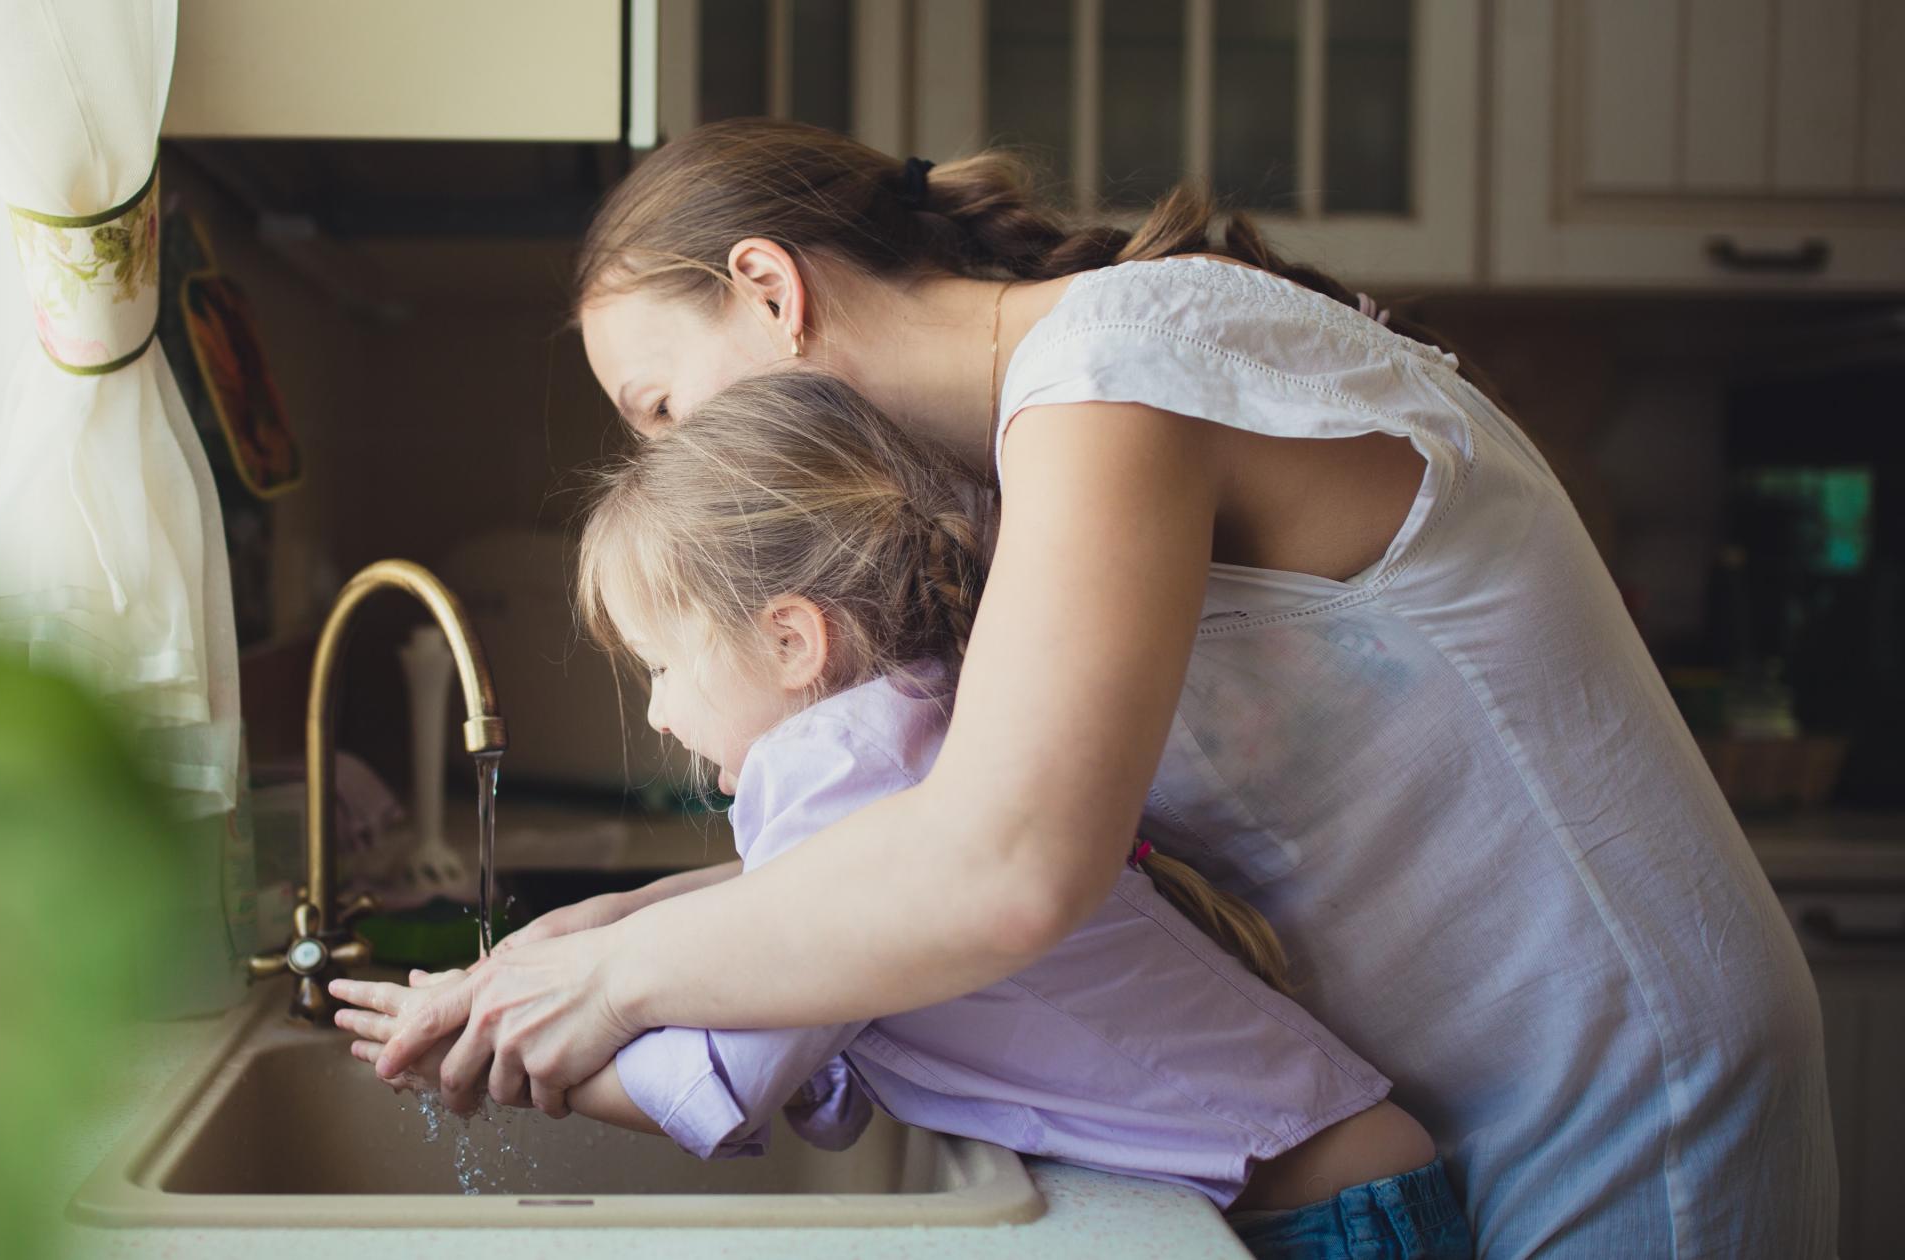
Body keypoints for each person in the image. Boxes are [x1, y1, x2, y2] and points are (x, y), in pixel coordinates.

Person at [356, 120, 1835, 1257]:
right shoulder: (1018, 464)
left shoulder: (1114, 369)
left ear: (770, 289)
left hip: (1621, 1083)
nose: (681, 468)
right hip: (1442, 1096)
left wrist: (607, 978)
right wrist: (596, 929)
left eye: (666, 409)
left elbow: (1003, 868)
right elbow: (907, 837)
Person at [337, 372, 1470, 1258]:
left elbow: (738, 1076)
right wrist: (594, 938)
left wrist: (489, 1051)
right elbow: (810, 985)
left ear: (791, 640)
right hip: (1346, 1181)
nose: (661, 709)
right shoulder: (916, 718)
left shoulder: (826, 775)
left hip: (1322, 1223)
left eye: (662, 666)